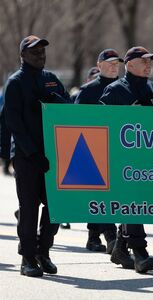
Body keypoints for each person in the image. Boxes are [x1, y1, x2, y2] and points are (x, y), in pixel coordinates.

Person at [3, 35, 70, 277]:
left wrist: (55, 100)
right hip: (27, 156)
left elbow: (69, 108)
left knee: (55, 207)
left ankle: (44, 251)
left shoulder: (51, 80)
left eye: (42, 50)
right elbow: (13, 123)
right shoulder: (15, 83)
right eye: (34, 51)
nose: (40, 54)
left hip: (54, 154)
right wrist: (31, 153)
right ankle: (28, 257)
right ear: (23, 55)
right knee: (29, 208)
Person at [99, 46, 153, 273]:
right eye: (144, 61)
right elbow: (102, 126)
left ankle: (120, 248)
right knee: (134, 202)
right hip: (123, 161)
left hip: (150, 161)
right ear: (129, 65)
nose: (149, 65)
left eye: (150, 61)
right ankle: (140, 253)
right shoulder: (115, 91)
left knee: (138, 204)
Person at [75, 49, 124, 253]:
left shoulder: (124, 88)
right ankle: (110, 236)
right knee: (100, 196)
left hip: (119, 151)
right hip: (93, 151)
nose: (114, 66)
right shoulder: (87, 91)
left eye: (117, 63)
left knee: (110, 196)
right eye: (110, 62)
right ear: (99, 64)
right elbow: (74, 121)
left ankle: (94, 237)